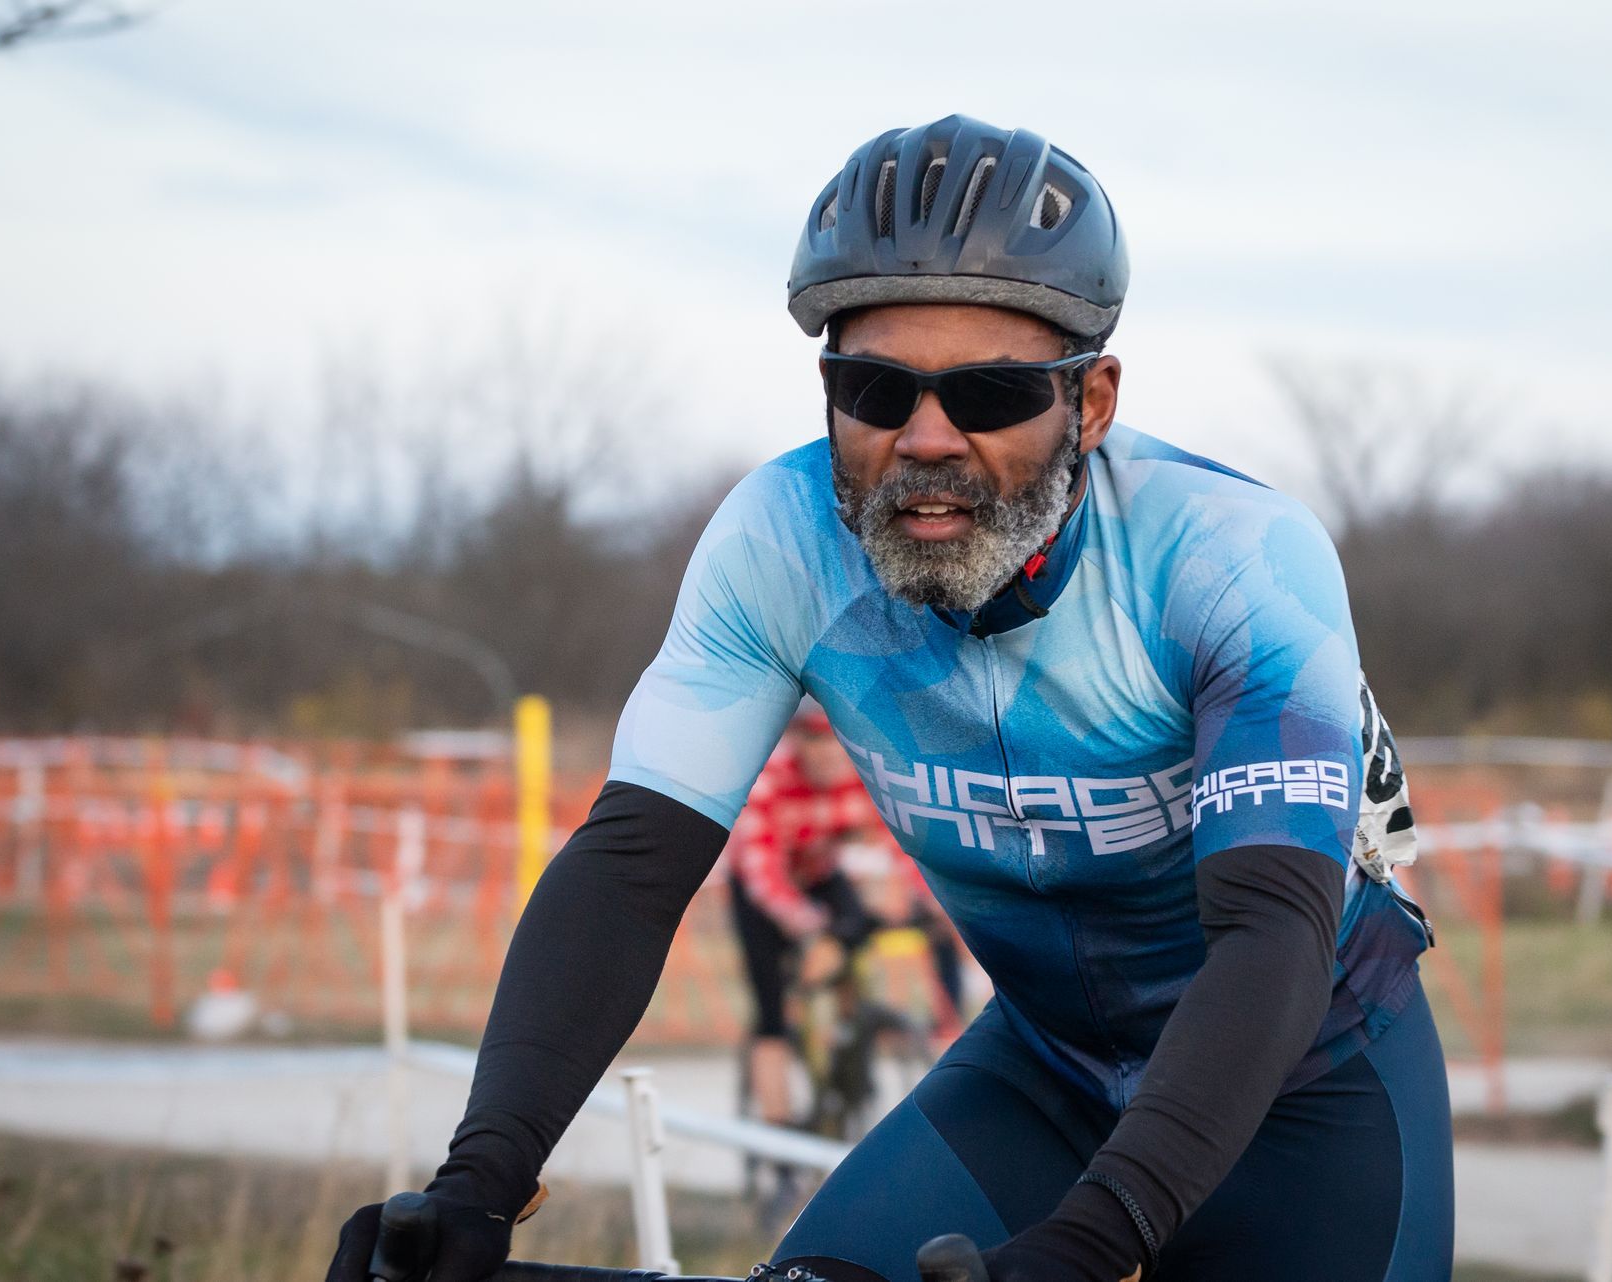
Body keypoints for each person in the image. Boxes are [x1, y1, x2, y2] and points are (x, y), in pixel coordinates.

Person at [325, 113, 1449, 1282]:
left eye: (991, 394)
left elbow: (1271, 930)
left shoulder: (1233, 556)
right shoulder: (780, 540)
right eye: (874, 387)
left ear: (1093, 402)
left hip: (1312, 1082)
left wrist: (1093, 1238)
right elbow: (630, 866)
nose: (923, 438)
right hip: (1048, 1073)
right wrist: (479, 1182)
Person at [728, 696, 896, 1131]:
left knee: (857, 928)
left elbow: (889, 849)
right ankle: (779, 1136)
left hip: (821, 870)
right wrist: (812, 929)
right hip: (762, 888)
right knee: (770, 1010)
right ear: (797, 741)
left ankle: (847, 1047)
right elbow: (764, 877)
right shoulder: (770, 781)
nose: (825, 751)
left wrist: (906, 901)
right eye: (813, 739)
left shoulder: (862, 773)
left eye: (833, 739)